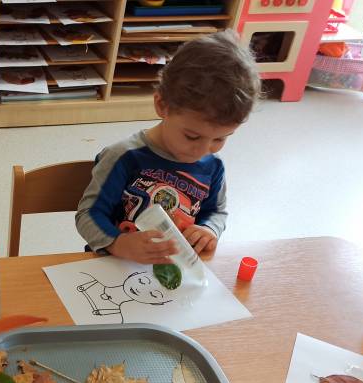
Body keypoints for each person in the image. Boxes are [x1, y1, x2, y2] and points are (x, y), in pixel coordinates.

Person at [76, 30, 261, 264]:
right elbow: (88, 215)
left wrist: (209, 230)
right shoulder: (124, 157)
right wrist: (118, 243)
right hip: (114, 266)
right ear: (162, 105)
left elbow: (215, 212)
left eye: (220, 139)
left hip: (176, 270)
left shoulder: (213, 167)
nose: (202, 151)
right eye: (192, 136)